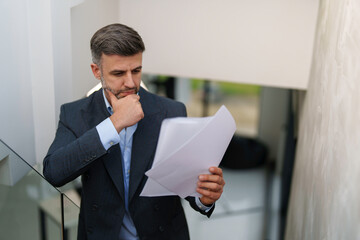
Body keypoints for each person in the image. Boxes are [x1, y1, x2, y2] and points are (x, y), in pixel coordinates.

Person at [43, 23, 225, 240]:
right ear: (96, 71)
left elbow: (185, 181)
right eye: (119, 73)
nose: (130, 82)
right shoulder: (75, 114)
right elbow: (54, 172)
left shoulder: (171, 111)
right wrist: (114, 123)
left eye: (136, 70)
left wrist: (204, 198)